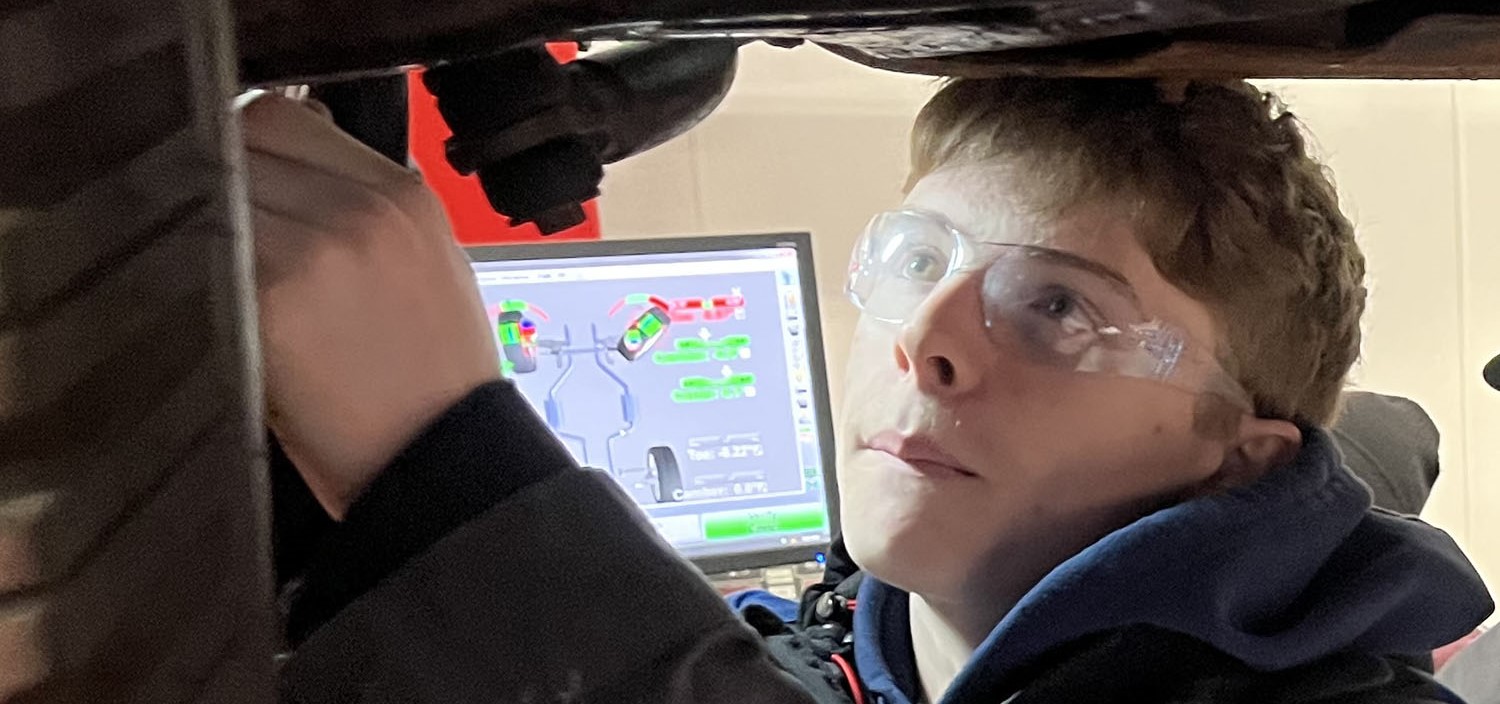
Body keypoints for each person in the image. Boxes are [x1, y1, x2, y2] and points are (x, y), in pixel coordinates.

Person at [247, 76, 1493, 704]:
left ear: (1244, 453)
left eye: (1058, 305)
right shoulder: (834, 659)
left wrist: (454, 484)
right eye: (913, 263)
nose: (925, 338)